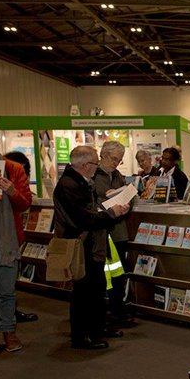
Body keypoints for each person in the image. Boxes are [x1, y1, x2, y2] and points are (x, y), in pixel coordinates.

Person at [53, 146, 129, 350]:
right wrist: (112, 212)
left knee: (96, 288)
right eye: (96, 162)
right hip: (82, 245)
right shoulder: (69, 185)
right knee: (84, 292)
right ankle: (82, 336)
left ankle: (97, 327)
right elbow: (84, 218)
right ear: (86, 165)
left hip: (93, 245)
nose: (97, 166)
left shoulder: (81, 182)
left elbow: (90, 212)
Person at [0, 120, 33, 356]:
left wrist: (11, 191)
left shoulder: (13, 168)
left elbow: (25, 203)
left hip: (6, 240)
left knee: (7, 291)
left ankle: (9, 331)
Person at [94, 140, 134, 328]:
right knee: (101, 277)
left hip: (118, 232)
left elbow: (129, 197)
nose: (116, 163)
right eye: (114, 159)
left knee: (119, 274)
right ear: (103, 155)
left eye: (119, 160)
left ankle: (118, 308)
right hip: (101, 232)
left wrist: (125, 204)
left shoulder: (118, 176)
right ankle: (103, 313)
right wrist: (109, 203)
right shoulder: (92, 175)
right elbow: (91, 203)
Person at [2, 150, 39, 324]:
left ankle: (8, 319)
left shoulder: (13, 172)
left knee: (8, 281)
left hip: (11, 235)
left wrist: (13, 192)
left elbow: (24, 203)